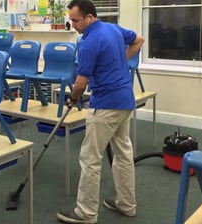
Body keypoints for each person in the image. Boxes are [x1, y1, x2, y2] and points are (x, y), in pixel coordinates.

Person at [56, 0, 144, 223]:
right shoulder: (112, 28)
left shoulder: (89, 42)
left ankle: (85, 213)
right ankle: (127, 204)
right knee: (123, 154)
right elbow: (138, 40)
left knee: (90, 159)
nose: (73, 24)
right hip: (125, 101)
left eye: (76, 20)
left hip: (105, 105)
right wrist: (119, 63)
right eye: (71, 20)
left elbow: (80, 83)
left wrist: (72, 99)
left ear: (89, 18)